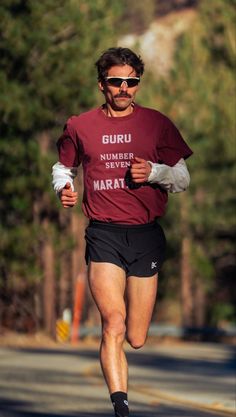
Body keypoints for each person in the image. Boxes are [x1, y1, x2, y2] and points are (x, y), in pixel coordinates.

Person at [52, 47, 193, 417]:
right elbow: (63, 166)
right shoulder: (80, 126)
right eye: (116, 81)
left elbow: (183, 179)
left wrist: (156, 173)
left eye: (132, 82)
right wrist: (62, 188)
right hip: (104, 235)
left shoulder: (156, 124)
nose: (125, 88)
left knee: (137, 337)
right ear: (102, 85)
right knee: (113, 322)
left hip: (146, 236)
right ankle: (121, 409)